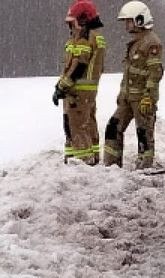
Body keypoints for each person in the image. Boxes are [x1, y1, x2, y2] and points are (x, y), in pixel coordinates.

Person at [104, 1, 164, 170]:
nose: (126, 25)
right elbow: (129, 72)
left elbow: (155, 73)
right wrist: (122, 95)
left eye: (129, 21)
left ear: (139, 20)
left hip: (142, 100)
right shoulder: (136, 43)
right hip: (128, 99)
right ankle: (111, 166)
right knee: (113, 127)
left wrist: (148, 97)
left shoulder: (151, 42)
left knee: (144, 134)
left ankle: (144, 168)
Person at [53, 0, 106, 165]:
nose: (70, 27)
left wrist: (62, 86)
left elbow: (78, 65)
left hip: (78, 92)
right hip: (86, 92)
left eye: (72, 22)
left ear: (83, 20)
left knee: (77, 127)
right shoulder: (94, 37)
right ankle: (90, 157)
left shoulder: (85, 38)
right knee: (87, 124)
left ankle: (82, 162)